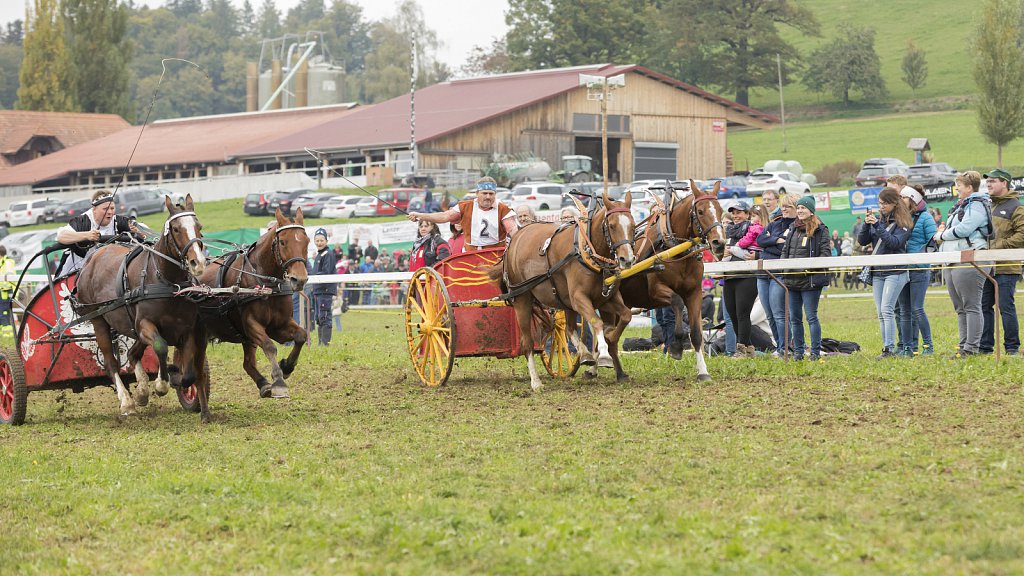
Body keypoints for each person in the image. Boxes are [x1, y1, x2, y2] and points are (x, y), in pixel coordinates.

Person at [936, 171, 993, 358]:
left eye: (959, 185)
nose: (957, 188)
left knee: (971, 306)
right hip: (953, 259)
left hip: (971, 259)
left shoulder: (976, 205)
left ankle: (972, 348)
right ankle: (963, 347)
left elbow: (965, 228)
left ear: (970, 187)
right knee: (960, 308)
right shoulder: (961, 206)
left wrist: (942, 235)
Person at [858, 187, 912, 358]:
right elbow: (862, 241)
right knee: (881, 312)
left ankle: (889, 349)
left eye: (884, 204)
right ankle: (885, 346)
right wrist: (866, 226)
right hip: (878, 271)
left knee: (887, 309)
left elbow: (894, 243)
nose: (880, 207)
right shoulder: (879, 220)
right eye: (879, 203)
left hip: (895, 272)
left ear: (894, 203)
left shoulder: (904, 223)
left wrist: (877, 225)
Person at [781, 196, 832, 361]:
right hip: (791, 280)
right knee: (795, 319)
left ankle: (815, 352)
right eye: (799, 208)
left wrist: (811, 269)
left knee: (811, 317)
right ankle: (799, 352)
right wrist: (783, 268)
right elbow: (785, 251)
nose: (800, 211)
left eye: (803, 208)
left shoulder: (821, 229)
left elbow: (825, 253)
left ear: (811, 210)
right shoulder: (792, 228)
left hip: (810, 281)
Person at [980, 168, 1024, 355]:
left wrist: (998, 245)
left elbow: (1022, 235)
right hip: (987, 266)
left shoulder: (1017, 207)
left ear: (1004, 183)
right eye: (987, 181)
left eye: (993, 181)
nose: (988, 184)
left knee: (1005, 306)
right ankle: (985, 347)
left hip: (1007, 266)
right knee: (984, 306)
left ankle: (1012, 348)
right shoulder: (989, 206)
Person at [408, 177, 518, 250]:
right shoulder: (465, 206)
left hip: (496, 257)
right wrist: (420, 215)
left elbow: (513, 231)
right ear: (477, 193)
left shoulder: (503, 209)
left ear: (495, 194)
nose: (488, 197)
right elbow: (444, 216)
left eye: (491, 194)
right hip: (470, 256)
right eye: (484, 193)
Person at [55, 189, 141, 276]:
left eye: (112, 208)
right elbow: (61, 236)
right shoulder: (83, 221)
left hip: (101, 274)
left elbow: (144, 232)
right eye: (105, 209)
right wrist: (87, 235)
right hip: (73, 274)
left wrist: (138, 231)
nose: (110, 212)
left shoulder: (118, 221)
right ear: (94, 209)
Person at [896, 185, 937, 356]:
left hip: (919, 269)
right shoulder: (899, 218)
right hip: (902, 269)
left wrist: (922, 255)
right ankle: (908, 347)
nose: (900, 201)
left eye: (903, 198)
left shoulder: (926, 217)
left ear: (912, 200)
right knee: (904, 310)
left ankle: (928, 346)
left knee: (917, 309)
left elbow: (933, 241)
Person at [756, 193, 796, 358]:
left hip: (779, 274)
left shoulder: (796, 227)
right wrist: (777, 241)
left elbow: (784, 251)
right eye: (783, 206)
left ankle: (786, 347)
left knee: (779, 313)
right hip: (762, 274)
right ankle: (778, 346)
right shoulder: (774, 223)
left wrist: (770, 243)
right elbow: (760, 240)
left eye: (788, 206)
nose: (784, 209)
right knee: (769, 314)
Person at [722, 202, 762, 357]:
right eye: (733, 213)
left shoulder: (752, 229)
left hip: (747, 276)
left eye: (738, 212)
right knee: (732, 314)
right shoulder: (728, 232)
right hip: (729, 276)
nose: (735, 216)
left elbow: (755, 251)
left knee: (742, 314)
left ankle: (741, 349)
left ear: (747, 214)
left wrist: (732, 251)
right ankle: (749, 347)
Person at [310, 228, 337, 346]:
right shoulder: (319, 255)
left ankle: (325, 344)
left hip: (325, 290)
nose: (319, 243)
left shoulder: (328, 254)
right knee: (319, 317)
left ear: (326, 240)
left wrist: (313, 276)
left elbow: (326, 272)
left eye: (321, 240)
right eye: (317, 240)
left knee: (325, 316)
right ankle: (320, 343)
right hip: (317, 291)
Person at [0, 246, 15, 335]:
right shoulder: (2, 262)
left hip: (5, 291)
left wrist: (6, 287)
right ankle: (3, 332)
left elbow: (10, 277)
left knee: (4, 312)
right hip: (2, 291)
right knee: (1, 312)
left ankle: (7, 333)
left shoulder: (7, 262)